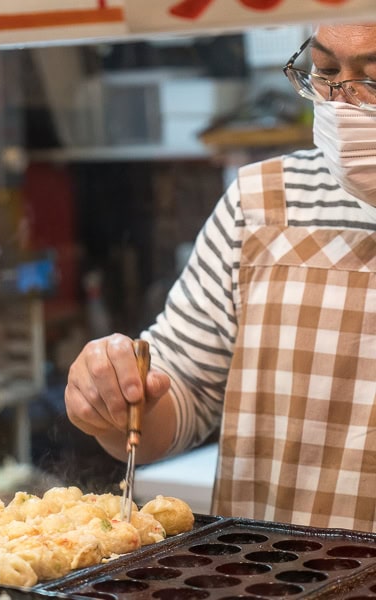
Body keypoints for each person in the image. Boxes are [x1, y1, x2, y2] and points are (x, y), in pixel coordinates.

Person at [65, 23, 376, 532]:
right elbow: (182, 389)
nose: (343, 102)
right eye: (324, 72)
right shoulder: (265, 203)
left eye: (375, 77)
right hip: (278, 576)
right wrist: (119, 398)